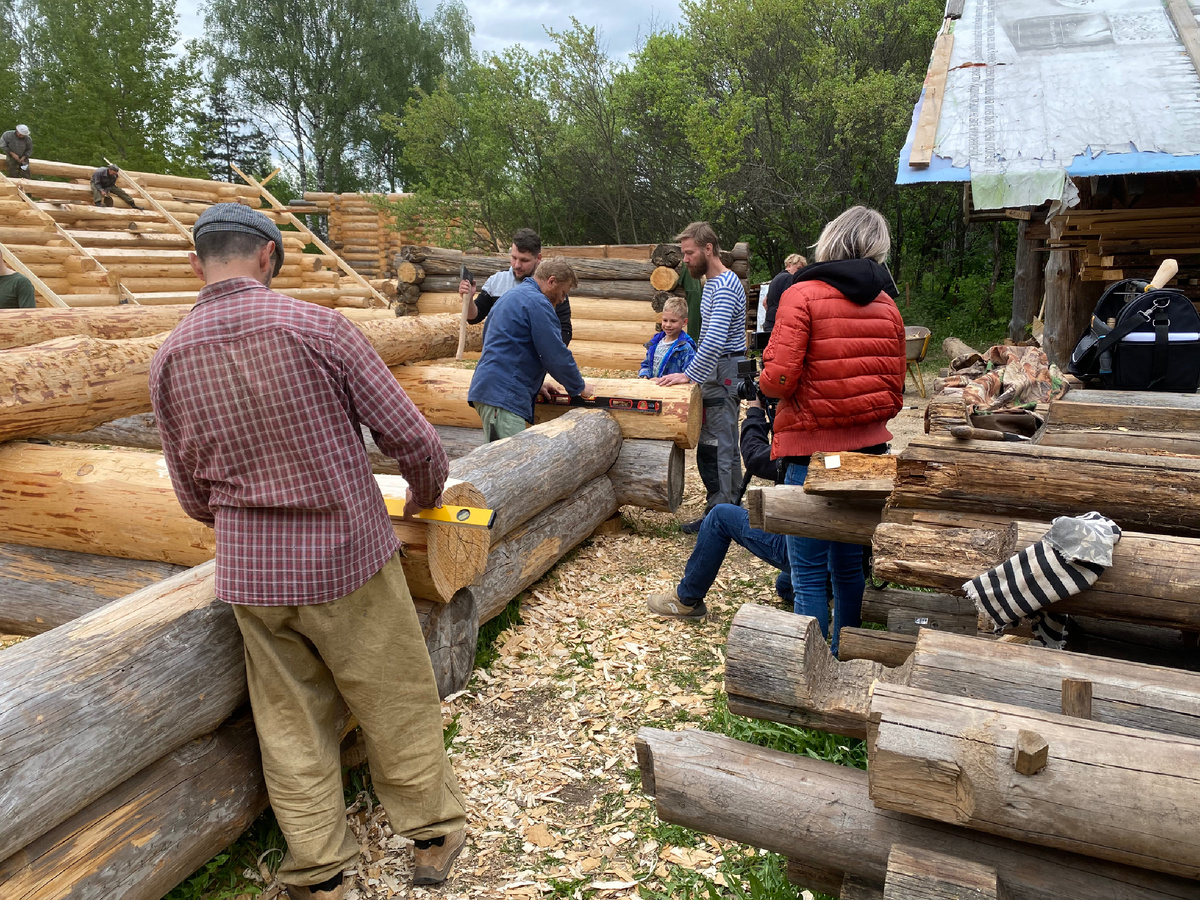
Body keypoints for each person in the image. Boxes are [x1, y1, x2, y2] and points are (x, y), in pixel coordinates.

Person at [149, 204, 467, 899]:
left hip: (253, 576)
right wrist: (423, 495)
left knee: (289, 720)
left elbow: (190, 495)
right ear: (269, 256)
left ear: (196, 261)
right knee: (393, 696)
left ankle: (320, 868)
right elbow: (413, 441)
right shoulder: (316, 327)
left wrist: (245, 520)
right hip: (345, 556)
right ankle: (433, 832)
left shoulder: (170, 356)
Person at [759, 205, 906, 656]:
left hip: (811, 455)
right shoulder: (888, 305)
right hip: (868, 455)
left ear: (830, 240)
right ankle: (848, 653)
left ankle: (815, 670)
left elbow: (778, 379)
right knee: (848, 569)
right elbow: (896, 396)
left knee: (807, 576)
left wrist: (765, 382)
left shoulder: (800, 295)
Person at [647, 398, 791, 619]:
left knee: (720, 515)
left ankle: (686, 600)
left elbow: (755, 457)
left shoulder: (805, 443)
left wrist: (755, 412)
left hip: (803, 545)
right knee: (785, 585)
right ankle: (830, 591)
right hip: (845, 554)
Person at [657, 222, 746, 533]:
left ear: (708, 249)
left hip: (724, 370)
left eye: (689, 253)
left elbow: (716, 339)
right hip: (712, 370)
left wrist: (689, 374)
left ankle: (727, 514)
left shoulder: (723, 285)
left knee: (723, 443)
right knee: (708, 440)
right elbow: (707, 337)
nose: (685, 260)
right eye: (683, 254)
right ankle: (717, 508)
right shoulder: (710, 285)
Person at [467, 257, 593, 442]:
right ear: (551, 281)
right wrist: (579, 387)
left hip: (493, 391)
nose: (562, 298)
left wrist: (533, 382)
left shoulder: (514, 296)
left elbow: (507, 346)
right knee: (509, 464)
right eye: (563, 292)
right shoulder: (537, 303)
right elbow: (555, 354)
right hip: (503, 398)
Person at [457, 228, 572, 345]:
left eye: (524, 260)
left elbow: (564, 331)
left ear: (538, 258)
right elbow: (474, 318)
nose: (517, 265)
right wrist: (469, 300)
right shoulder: (497, 281)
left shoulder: (552, 286)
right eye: (514, 258)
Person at [638, 296, 696, 379]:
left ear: (684, 322)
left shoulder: (685, 348)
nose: (668, 325)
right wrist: (644, 375)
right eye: (665, 320)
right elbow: (646, 364)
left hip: (672, 390)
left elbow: (690, 376)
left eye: (673, 321)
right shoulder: (655, 343)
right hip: (651, 389)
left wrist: (660, 381)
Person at [760, 253, 807, 333]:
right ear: (789, 265)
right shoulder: (788, 278)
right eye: (798, 268)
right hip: (779, 325)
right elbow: (790, 303)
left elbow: (765, 302)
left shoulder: (776, 278)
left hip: (769, 323)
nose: (800, 272)